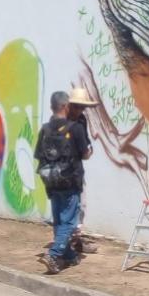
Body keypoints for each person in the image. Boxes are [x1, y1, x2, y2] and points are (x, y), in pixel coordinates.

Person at [34, 90, 92, 274]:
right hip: (70, 181)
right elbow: (85, 153)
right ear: (66, 106)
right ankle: (53, 254)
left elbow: (39, 155)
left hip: (51, 182)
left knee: (59, 220)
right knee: (69, 222)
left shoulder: (45, 129)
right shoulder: (75, 128)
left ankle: (68, 255)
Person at [66, 87, 99, 255]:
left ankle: (75, 241)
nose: (80, 110)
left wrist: (87, 151)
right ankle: (65, 244)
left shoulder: (81, 121)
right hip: (63, 171)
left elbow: (85, 144)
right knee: (66, 206)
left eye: (83, 107)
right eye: (77, 106)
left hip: (77, 169)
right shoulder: (61, 121)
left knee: (81, 204)